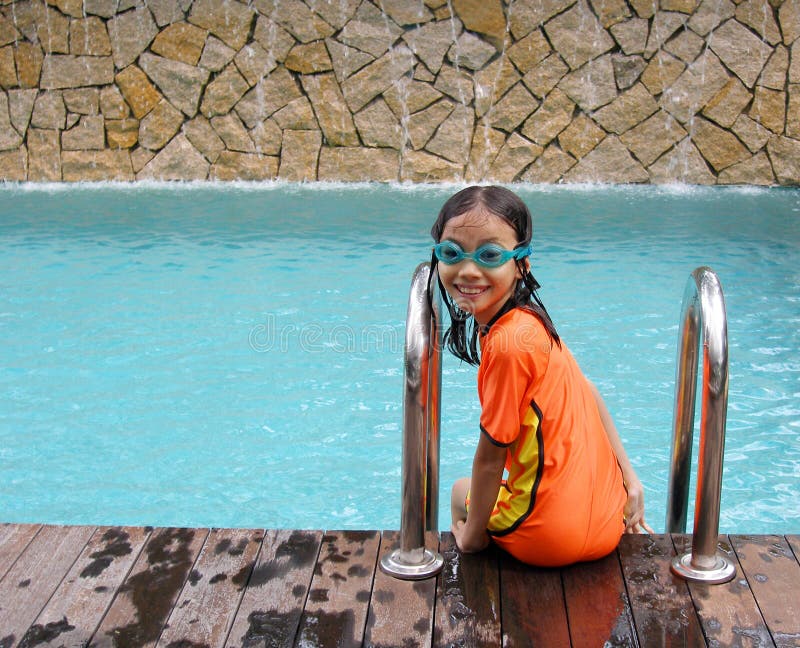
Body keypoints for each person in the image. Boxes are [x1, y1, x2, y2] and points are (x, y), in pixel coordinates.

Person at [430, 185, 653, 567]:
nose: (468, 270)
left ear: (522, 264)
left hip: (549, 538)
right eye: (452, 253)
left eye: (489, 254)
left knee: (457, 494)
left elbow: (489, 460)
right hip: (607, 522)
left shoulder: (507, 343)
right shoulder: (531, 322)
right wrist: (630, 479)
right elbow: (590, 392)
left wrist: (471, 536)